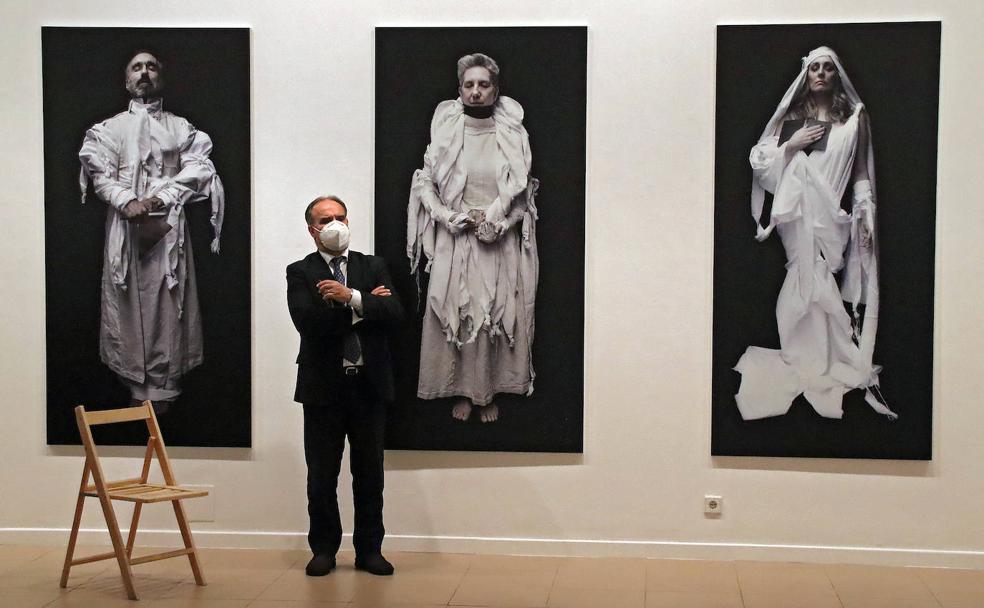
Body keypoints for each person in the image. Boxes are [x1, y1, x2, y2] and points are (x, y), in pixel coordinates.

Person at [734, 46, 897, 421]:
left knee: (822, 273)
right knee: (802, 272)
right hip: (797, 212)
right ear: (806, 77)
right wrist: (791, 145)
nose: (821, 73)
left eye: (827, 68)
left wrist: (865, 216)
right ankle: (803, 355)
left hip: (830, 214)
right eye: (814, 69)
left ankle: (824, 358)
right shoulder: (793, 118)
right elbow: (764, 166)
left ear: (837, 75)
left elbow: (859, 173)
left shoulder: (854, 119)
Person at [78, 50, 225, 412]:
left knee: (169, 303)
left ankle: (165, 390)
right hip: (126, 230)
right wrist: (127, 200)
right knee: (125, 301)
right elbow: (98, 171)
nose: (144, 73)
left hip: (168, 230)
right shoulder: (109, 129)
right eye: (136, 67)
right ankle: (132, 384)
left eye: (152, 66)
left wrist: (161, 198)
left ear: (161, 76)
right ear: (127, 80)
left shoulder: (180, 128)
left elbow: (199, 167)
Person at [407, 52, 539, 424]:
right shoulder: (446, 132)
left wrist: (499, 221)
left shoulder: (512, 134)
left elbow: (522, 196)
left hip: (496, 241)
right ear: (459, 91)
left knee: (495, 315)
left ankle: (487, 392)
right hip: (457, 238)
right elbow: (426, 186)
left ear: (495, 91)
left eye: (484, 85)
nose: (476, 92)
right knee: (459, 314)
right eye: (469, 85)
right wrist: (449, 217)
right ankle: (463, 391)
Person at [287, 195, 404, 576]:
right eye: (325, 219)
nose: (334, 224)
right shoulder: (300, 272)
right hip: (323, 389)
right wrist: (365, 307)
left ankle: (370, 551)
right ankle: (323, 550)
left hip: (369, 387)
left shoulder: (373, 266)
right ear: (312, 230)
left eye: (339, 217)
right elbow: (309, 323)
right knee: (321, 476)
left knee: (370, 475)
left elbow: (395, 313)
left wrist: (349, 296)